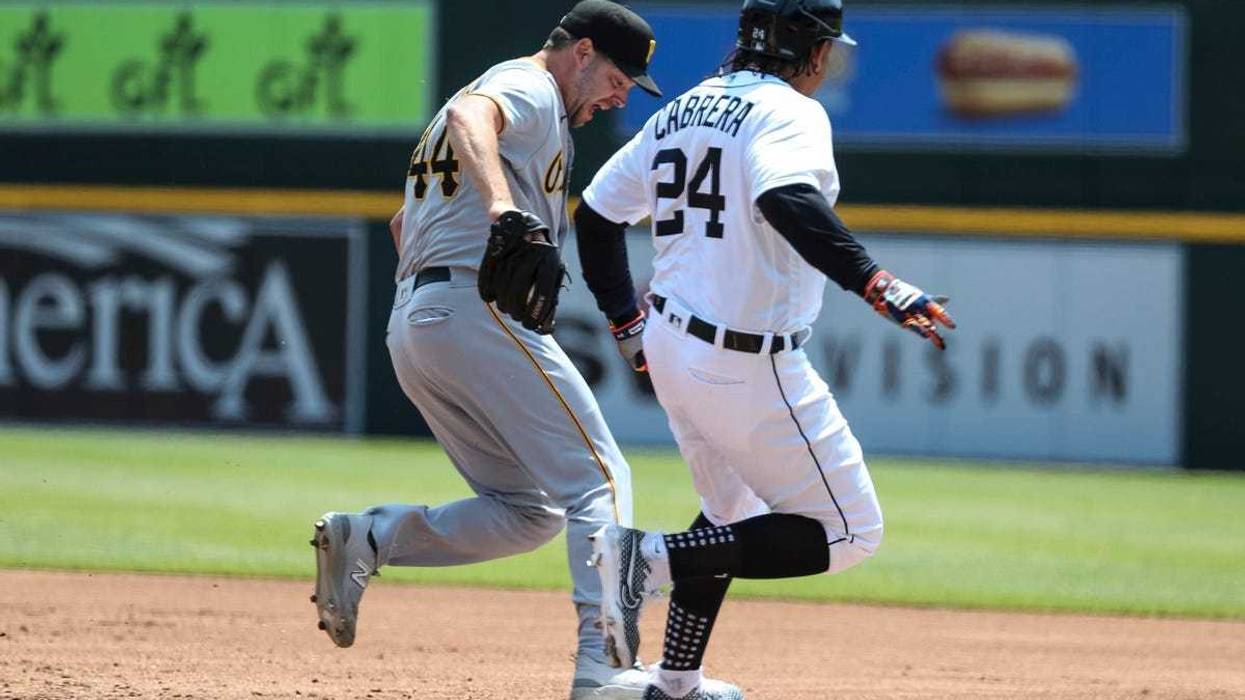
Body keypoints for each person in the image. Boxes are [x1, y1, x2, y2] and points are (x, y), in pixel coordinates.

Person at [574, 1, 956, 698]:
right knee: (848, 533)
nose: (826, 65)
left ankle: (675, 683)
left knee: (728, 516)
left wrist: (625, 325)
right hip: (743, 360)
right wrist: (874, 281)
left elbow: (595, 213)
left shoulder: (684, 106)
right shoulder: (790, 112)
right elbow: (785, 198)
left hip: (671, 344)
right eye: (825, 50)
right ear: (807, 50)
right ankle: (644, 560)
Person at [310, 3, 664, 698]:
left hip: (419, 319)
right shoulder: (529, 88)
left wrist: (439, 286)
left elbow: (399, 221)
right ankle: (604, 669)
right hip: (471, 309)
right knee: (598, 479)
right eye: (619, 77)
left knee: (528, 510)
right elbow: (476, 116)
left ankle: (371, 538)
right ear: (581, 52)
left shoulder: (534, 109)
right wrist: (504, 212)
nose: (621, 95)